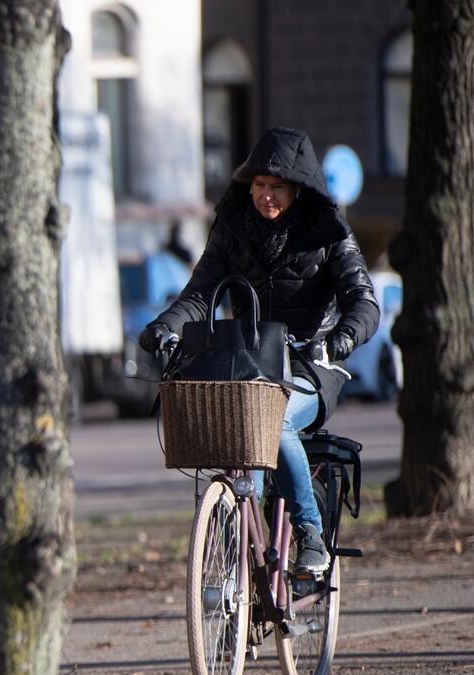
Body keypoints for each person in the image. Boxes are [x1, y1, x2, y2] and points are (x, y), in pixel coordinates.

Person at [139, 127, 379, 573]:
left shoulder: (328, 231)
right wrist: (163, 326)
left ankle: (309, 533)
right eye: (259, 186)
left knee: (277, 418)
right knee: (231, 431)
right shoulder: (232, 226)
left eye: (277, 188)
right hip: (249, 363)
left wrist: (342, 337)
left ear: (299, 190)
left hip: (311, 366)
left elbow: (363, 302)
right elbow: (199, 294)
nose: (266, 197)